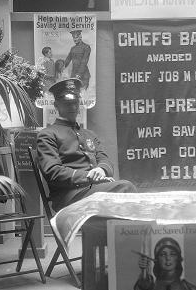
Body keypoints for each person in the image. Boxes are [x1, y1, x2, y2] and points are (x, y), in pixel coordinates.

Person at [37, 77, 137, 210]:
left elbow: (105, 160)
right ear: (56, 105)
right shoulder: (48, 134)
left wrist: (101, 170)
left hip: (94, 190)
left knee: (123, 193)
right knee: (125, 188)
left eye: (75, 102)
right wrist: (88, 177)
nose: (73, 107)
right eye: (67, 103)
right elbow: (53, 172)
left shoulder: (89, 135)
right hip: (69, 196)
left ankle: (112, 224)